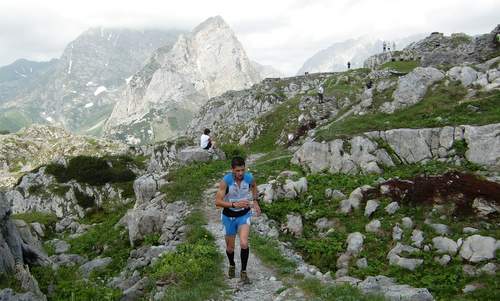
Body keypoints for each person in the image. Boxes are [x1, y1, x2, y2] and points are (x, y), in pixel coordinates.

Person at [215, 156, 261, 284]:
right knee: (230, 248)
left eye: (242, 170)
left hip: (244, 215)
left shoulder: (249, 178)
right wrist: (234, 205)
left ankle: (244, 272)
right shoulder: (226, 181)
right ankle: (231, 265)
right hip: (228, 216)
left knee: (244, 243)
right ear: (232, 170)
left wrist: (255, 202)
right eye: (237, 171)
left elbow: (254, 187)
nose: (240, 173)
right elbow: (217, 202)